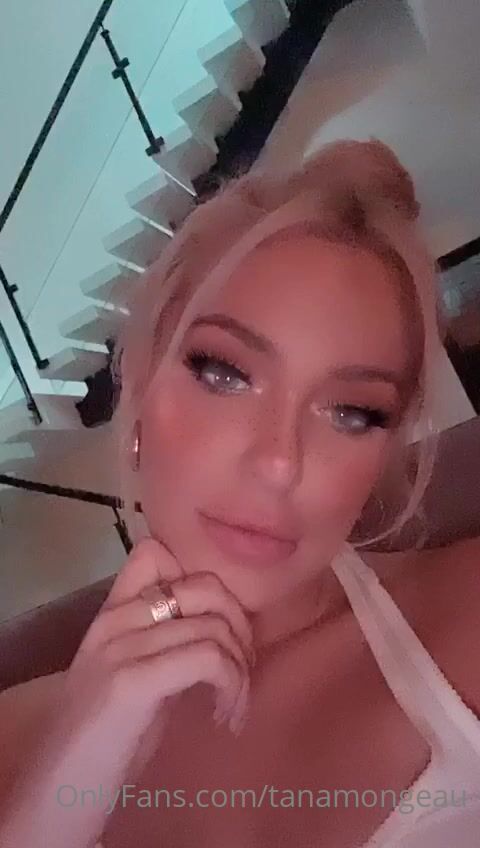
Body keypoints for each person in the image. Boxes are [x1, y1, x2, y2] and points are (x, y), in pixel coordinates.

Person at [1, 138, 480, 848]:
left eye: (353, 413)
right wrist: (71, 764)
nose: (280, 462)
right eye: (224, 373)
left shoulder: (466, 619)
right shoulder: (15, 741)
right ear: (139, 379)